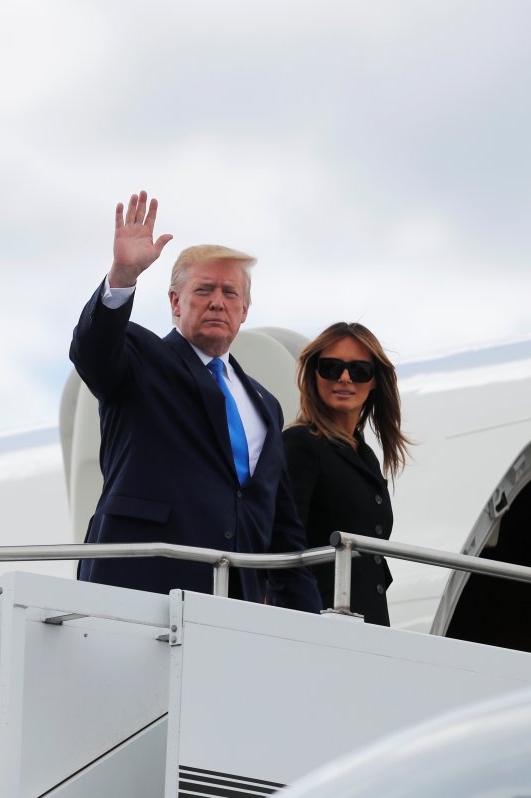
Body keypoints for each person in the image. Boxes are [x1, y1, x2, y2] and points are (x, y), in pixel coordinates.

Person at [70, 191, 321, 613]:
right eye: (204, 290)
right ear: (175, 302)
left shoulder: (266, 404)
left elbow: (280, 529)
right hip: (140, 588)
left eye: (230, 293)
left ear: (245, 310)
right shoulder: (140, 359)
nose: (218, 301)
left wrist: (312, 621)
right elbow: (92, 352)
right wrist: (123, 275)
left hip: (234, 601)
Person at [282, 323, 409, 625]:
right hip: (323, 618)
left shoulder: (364, 455)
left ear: (375, 381)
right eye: (331, 367)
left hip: (369, 620)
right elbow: (285, 542)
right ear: (314, 374)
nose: (344, 378)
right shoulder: (300, 443)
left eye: (359, 370)